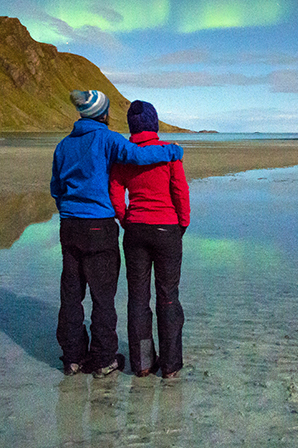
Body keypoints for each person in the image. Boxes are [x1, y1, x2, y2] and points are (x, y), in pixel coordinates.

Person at [50, 90, 184, 378]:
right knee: (104, 296)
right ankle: (104, 361)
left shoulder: (62, 146)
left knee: (72, 294)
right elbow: (138, 156)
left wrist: (122, 218)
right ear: (104, 114)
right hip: (101, 226)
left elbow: (56, 189)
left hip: (70, 226)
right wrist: (173, 151)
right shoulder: (108, 139)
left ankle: (76, 359)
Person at [109, 100, 190, 379]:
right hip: (167, 229)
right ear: (154, 123)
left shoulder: (125, 155)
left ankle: (143, 364)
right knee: (168, 296)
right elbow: (180, 191)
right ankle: (170, 366)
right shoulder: (168, 153)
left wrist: (125, 218)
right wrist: (183, 222)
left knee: (138, 298)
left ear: (132, 126)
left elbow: (115, 191)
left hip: (135, 230)